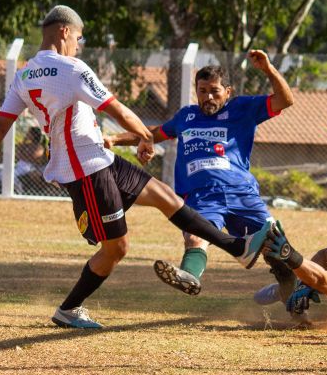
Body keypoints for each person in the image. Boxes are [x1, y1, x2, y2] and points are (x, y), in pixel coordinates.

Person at [0, 5, 272, 329]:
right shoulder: (73, 68)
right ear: (64, 32)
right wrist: (146, 137)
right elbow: (115, 108)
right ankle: (69, 309)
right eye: (79, 37)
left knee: (166, 197)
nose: (79, 44)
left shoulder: (24, 75)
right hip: (87, 171)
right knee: (117, 248)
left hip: (100, 159)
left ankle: (237, 247)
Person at [107, 56, 296, 297]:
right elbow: (152, 134)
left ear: (228, 92)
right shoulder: (186, 116)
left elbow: (285, 100)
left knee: (276, 247)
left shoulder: (243, 109)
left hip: (241, 193)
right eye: (202, 91)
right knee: (195, 238)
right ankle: (189, 277)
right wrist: (114, 139)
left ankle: (290, 291)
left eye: (214, 91)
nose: (208, 97)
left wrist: (268, 69)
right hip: (201, 197)